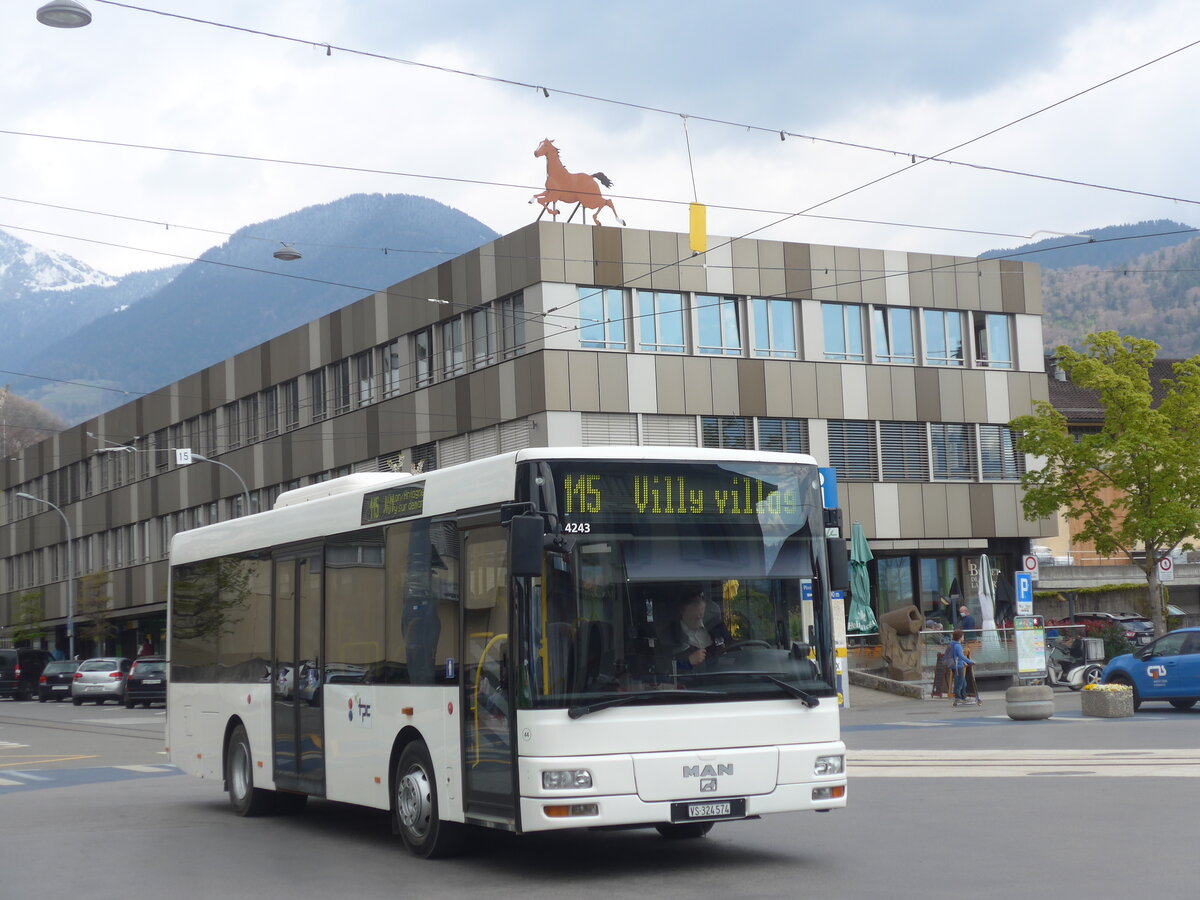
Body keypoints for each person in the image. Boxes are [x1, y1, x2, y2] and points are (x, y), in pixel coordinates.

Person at [667, 589, 729, 670]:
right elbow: (664, 668)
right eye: (693, 618)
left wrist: (724, 650)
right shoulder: (670, 635)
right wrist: (688, 662)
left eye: (701, 616)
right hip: (689, 680)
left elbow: (733, 647)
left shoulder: (716, 626)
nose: (699, 622)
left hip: (721, 675)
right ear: (682, 612)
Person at [946, 628, 979, 706]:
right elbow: (961, 656)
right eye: (963, 636)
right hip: (958, 666)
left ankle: (963, 696)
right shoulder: (957, 645)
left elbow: (957, 656)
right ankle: (958, 697)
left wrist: (964, 662)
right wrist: (970, 661)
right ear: (960, 637)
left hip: (956, 665)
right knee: (960, 683)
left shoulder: (952, 644)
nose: (963, 638)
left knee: (963, 682)